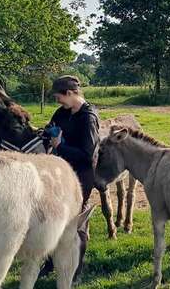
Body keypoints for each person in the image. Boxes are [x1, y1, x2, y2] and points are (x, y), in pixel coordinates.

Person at [40, 75, 99, 281]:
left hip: (81, 176)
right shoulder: (62, 112)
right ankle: (49, 263)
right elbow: (50, 128)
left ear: (71, 93)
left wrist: (60, 146)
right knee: (54, 218)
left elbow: (86, 154)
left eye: (59, 98)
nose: (58, 102)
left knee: (76, 222)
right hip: (60, 172)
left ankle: (76, 269)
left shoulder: (88, 118)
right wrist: (46, 133)